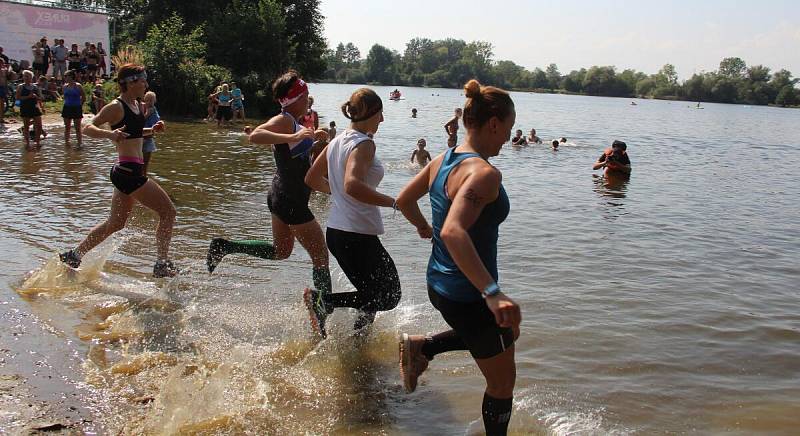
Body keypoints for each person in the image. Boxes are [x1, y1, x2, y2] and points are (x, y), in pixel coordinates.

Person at [395, 79, 521, 436]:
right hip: (469, 294)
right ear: (493, 123)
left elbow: (404, 200)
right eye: (507, 130)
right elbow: (453, 231)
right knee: (502, 384)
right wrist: (493, 292)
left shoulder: (442, 160)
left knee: (509, 330)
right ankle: (425, 348)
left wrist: (423, 228)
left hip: (440, 283)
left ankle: (424, 347)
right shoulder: (483, 173)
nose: (507, 139)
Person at [206, 71, 333, 336]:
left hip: (281, 194)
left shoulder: (297, 121)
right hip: (290, 199)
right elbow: (256, 136)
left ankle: (225, 247)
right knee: (321, 257)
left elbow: (298, 157)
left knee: (281, 251)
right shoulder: (284, 120)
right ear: (295, 98)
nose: (309, 97)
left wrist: (313, 140)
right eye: (305, 93)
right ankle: (320, 312)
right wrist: (294, 137)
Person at [59, 64, 177, 277]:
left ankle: (74, 255)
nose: (146, 85)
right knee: (168, 212)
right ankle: (161, 263)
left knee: (115, 224)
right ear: (130, 82)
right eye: (142, 81)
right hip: (129, 171)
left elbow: (132, 132)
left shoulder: (136, 105)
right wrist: (110, 135)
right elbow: (88, 127)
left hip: (125, 171)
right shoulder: (116, 106)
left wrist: (151, 130)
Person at [304, 87, 402, 337]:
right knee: (390, 295)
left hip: (339, 233)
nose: (382, 120)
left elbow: (312, 178)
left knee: (368, 295)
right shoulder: (364, 143)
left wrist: (336, 192)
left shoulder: (338, 140)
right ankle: (323, 303)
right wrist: (393, 202)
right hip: (356, 234)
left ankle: (359, 346)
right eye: (381, 114)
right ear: (372, 112)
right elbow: (353, 185)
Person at [16, 70, 43, 149]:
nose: (26, 78)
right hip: (25, 107)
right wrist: (28, 96)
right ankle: (27, 143)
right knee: (26, 126)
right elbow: (17, 98)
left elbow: (41, 98)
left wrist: (36, 96)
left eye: (28, 76)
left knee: (39, 125)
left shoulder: (35, 87)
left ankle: (37, 142)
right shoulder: (21, 86)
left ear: (31, 77)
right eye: (25, 76)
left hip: (35, 107)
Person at [61, 70, 84, 146]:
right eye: (65, 76)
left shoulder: (78, 86)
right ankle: (67, 143)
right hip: (67, 107)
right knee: (67, 127)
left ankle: (79, 143)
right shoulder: (65, 86)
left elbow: (83, 97)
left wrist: (80, 105)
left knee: (77, 127)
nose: (65, 78)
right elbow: (64, 97)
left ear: (71, 76)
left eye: (66, 76)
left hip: (76, 107)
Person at [141, 91, 161, 175]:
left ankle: (143, 175)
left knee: (145, 162)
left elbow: (144, 118)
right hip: (145, 136)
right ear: (145, 100)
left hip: (148, 137)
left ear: (155, 101)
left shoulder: (152, 109)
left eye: (151, 100)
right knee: (142, 162)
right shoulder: (145, 108)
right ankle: (143, 175)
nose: (149, 102)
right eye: (147, 100)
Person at [0, 58, 14, 123]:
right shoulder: (3, 70)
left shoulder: (4, 70)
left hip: (2, 87)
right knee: (1, 103)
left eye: (2, 63)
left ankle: (1, 118)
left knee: (2, 103)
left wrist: (9, 66)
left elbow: (6, 79)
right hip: (2, 87)